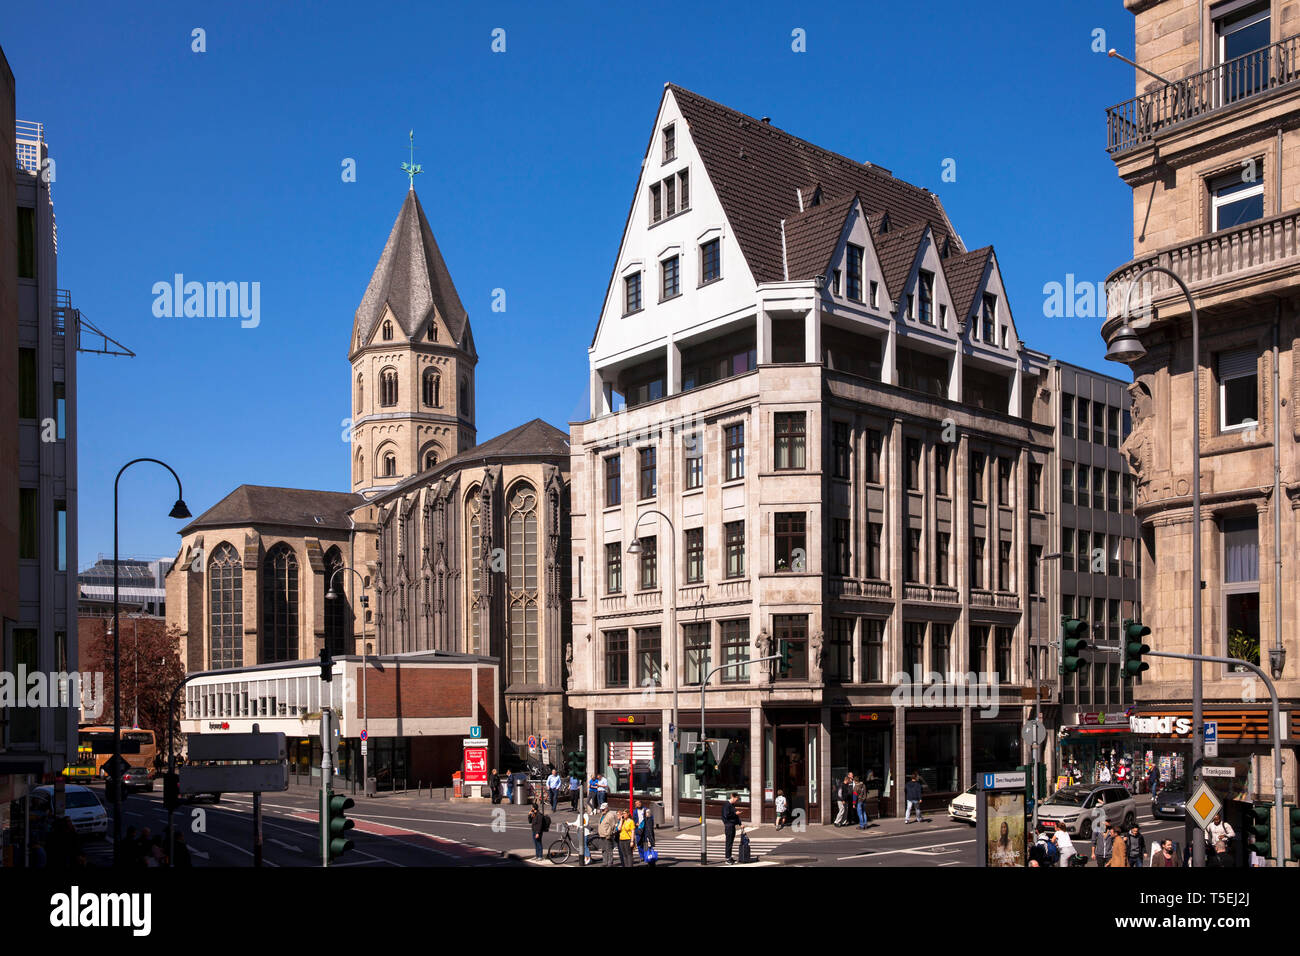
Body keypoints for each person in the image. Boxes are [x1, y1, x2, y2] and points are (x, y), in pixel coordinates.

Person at [721, 793, 743, 864]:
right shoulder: (726, 805)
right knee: (729, 842)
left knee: (731, 842)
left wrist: (740, 823)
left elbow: (735, 815)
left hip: (732, 825)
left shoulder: (732, 805)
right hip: (728, 825)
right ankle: (727, 858)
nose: (736, 801)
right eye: (736, 799)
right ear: (732, 797)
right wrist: (735, 814)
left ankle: (729, 857)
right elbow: (726, 815)